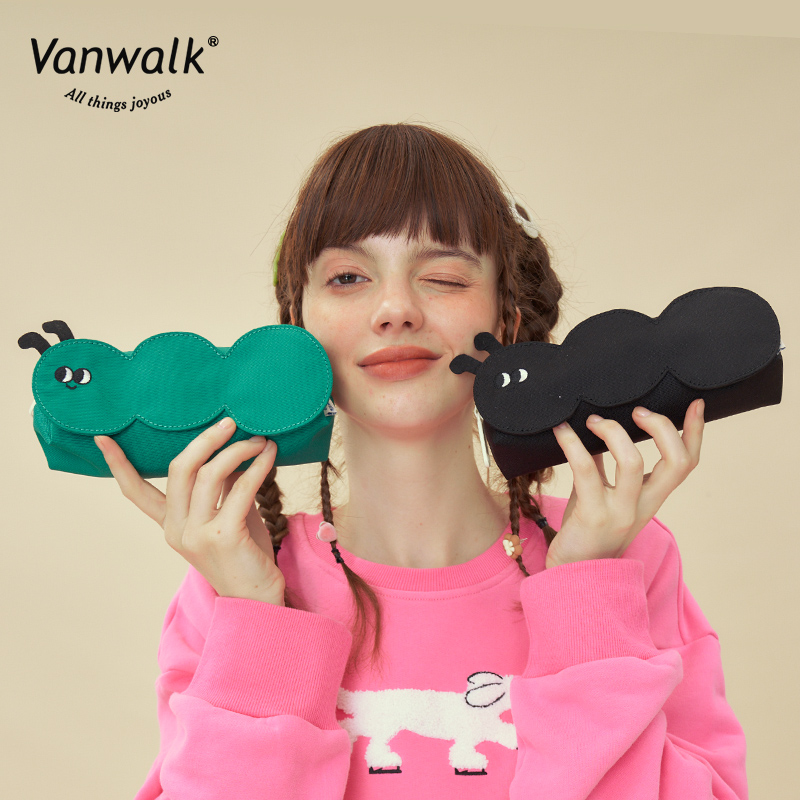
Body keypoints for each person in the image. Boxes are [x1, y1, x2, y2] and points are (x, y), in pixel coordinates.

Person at [95, 123, 747, 799]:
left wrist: (584, 593)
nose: (395, 310)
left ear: (507, 317)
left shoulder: (623, 556)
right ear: (297, 331)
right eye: (348, 277)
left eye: (442, 277)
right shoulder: (236, 576)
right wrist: (258, 619)